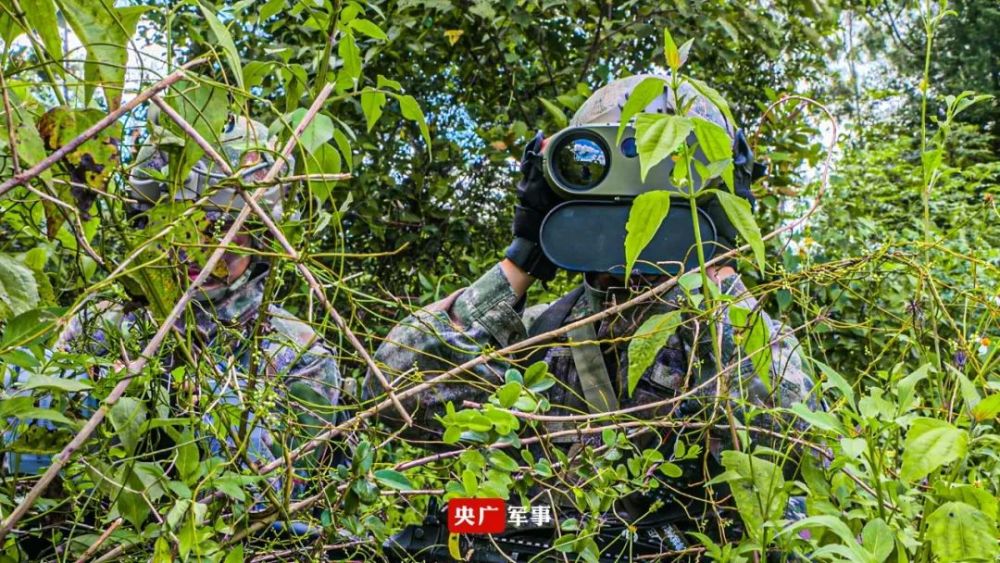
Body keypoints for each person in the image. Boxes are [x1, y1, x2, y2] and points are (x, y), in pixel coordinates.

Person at [366, 75, 818, 560]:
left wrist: (717, 267)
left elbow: (801, 453)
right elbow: (389, 400)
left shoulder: (734, 341)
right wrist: (523, 257)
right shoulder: (541, 334)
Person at [1, 115, 345, 558]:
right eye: (177, 222)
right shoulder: (103, 321)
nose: (196, 248)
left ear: (258, 236)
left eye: (220, 229)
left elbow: (271, 497)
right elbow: (24, 461)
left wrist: (173, 400)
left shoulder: (297, 350)